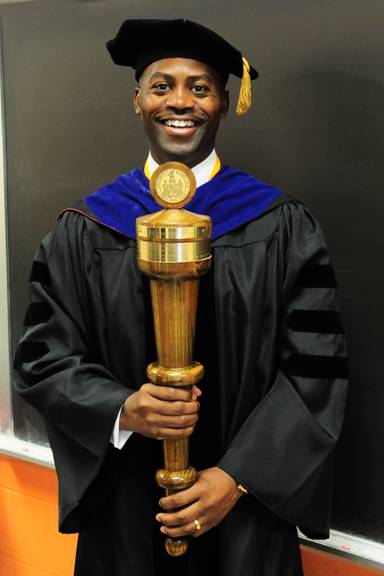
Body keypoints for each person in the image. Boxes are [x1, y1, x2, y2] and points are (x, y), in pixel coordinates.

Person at [14, 19, 348, 576]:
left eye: (200, 87)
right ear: (137, 99)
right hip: (124, 515)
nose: (180, 102)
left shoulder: (281, 226)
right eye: (161, 84)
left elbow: (315, 373)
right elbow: (43, 360)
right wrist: (122, 409)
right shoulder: (85, 228)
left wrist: (238, 476)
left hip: (244, 517)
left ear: (222, 104)